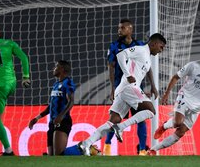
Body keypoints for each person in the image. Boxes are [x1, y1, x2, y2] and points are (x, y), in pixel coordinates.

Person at [79, 33, 166, 156]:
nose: (161, 50)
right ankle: (121, 127)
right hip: (129, 87)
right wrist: (128, 74)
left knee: (112, 122)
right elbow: (121, 54)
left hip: (125, 89)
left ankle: (86, 143)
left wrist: (152, 86)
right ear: (154, 43)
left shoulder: (146, 56)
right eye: (161, 47)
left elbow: (143, 71)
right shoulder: (141, 50)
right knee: (151, 110)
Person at [105, 19, 157, 156]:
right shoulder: (114, 45)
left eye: (122, 28)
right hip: (121, 86)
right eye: (119, 28)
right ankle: (107, 149)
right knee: (115, 118)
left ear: (130, 29)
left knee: (141, 118)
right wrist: (111, 89)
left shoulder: (139, 45)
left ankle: (142, 150)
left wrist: (153, 85)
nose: (119, 30)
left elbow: (147, 66)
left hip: (134, 87)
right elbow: (111, 67)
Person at [148, 60, 200, 155]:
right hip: (185, 97)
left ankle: (153, 150)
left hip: (197, 108)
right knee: (177, 123)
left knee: (180, 133)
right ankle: (164, 126)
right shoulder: (192, 65)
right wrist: (167, 93)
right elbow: (176, 77)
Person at [0, 24, 30, 156]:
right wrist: (26, 77)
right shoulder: (9, 43)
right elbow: (24, 58)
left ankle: (8, 150)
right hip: (10, 84)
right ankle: (8, 150)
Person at [29, 60, 75, 155]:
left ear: (62, 69)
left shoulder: (68, 82)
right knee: (51, 158)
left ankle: (81, 149)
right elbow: (51, 106)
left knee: (58, 155)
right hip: (52, 123)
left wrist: (61, 116)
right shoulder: (55, 85)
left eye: (56, 66)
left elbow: (71, 101)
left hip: (63, 121)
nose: (53, 68)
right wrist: (37, 118)